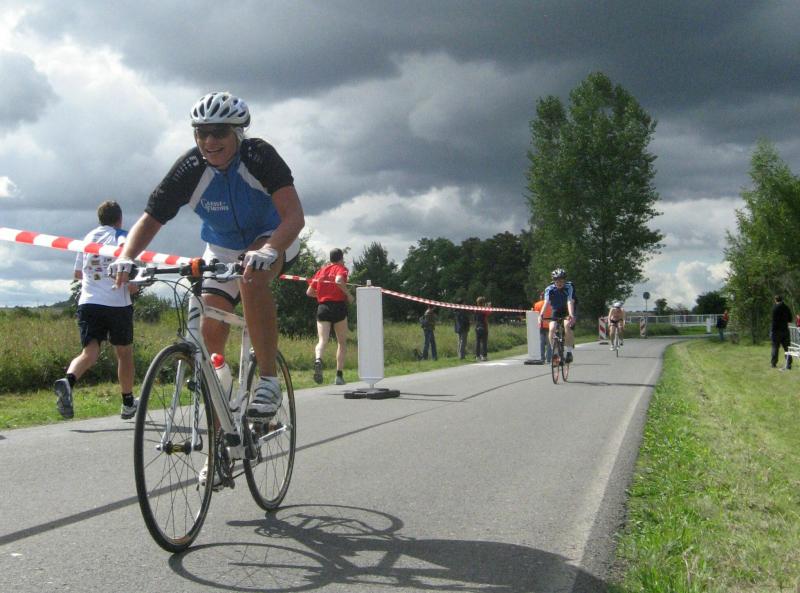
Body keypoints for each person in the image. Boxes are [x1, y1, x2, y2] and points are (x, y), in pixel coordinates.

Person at [111, 92, 304, 485]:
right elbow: (152, 218)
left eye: (218, 132)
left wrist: (270, 249)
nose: (209, 141)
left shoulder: (259, 157)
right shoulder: (190, 168)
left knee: (251, 277)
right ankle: (223, 443)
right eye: (201, 133)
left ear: (237, 133)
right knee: (208, 335)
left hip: (272, 237)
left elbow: (294, 216)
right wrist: (127, 256)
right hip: (220, 247)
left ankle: (268, 381)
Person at [54, 201, 139, 420]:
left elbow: (78, 274)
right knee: (124, 353)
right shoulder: (123, 236)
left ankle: (68, 381)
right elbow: (129, 275)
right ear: (119, 219)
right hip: (117, 303)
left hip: (89, 302)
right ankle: (128, 402)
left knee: (89, 352)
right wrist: (133, 284)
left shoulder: (88, 239)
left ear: (99, 219)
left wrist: (96, 277)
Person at [306, 248, 353, 385]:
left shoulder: (321, 271)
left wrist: (321, 295)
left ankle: (318, 359)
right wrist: (349, 295)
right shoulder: (341, 268)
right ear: (341, 259)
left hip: (323, 307)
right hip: (338, 306)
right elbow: (338, 280)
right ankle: (339, 376)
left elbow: (309, 292)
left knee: (322, 340)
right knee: (341, 342)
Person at [542, 268, 576, 363]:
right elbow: (546, 302)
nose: (559, 283)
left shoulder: (569, 287)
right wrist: (541, 314)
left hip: (566, 309)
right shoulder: (549, 289)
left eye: (561, 281)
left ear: (564, 280)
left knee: (567, 325)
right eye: (557, 281)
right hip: (556, 310)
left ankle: (569, 352)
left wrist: (571, 314)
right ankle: (555, 352)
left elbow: (569, 301)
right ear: (554, 281)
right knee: (552, 328)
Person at [770, 295, 793, 369]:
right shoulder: (786, 307)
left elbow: (774, 321)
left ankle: (773, 364)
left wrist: (772, 331)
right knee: (787, 348)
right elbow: (790, 319)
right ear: (782, 300)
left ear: (775, 300)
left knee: (775, 347)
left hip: (776, 331)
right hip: (785, 331)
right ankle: (788, 364)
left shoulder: (775, 308)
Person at [532, 292, 552, 362]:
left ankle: (542, 357)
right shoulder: (551, 303)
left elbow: (535, 314)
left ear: (541, 297)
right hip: (550, 325)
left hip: (541, 325)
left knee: (541, 342)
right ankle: (549, 358)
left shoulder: (537, 304)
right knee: (549, 343)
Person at [474, 297, 489, 361]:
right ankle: (484, 356)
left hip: (477, 326)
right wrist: (488, 307)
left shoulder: (475, 309)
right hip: (483, 326)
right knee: (484, 342)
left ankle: (477, 356)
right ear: (483, 303)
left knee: (477, 342)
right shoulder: (484, 309)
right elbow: (488, 313)